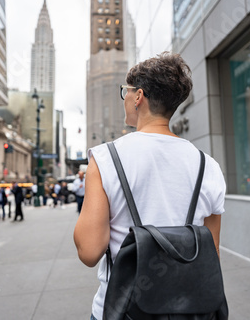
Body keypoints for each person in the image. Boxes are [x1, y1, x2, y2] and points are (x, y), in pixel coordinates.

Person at [73, 52, 226, 320]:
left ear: (138, 97)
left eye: (126, 92)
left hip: (123, 309)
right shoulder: (208, 165)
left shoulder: (105, 158)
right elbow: (211, 254)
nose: (125, 99)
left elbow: (89, 251)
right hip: (190, 311)